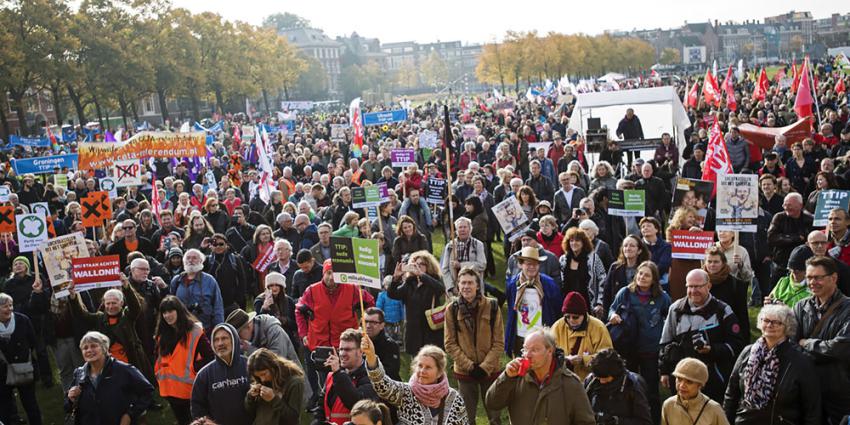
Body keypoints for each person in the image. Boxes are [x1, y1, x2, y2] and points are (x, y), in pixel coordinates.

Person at [723, 304, 821, 425]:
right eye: (766, 320)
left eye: (777, 322)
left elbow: (812, 409)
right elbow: (731, 394)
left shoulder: (801, 361)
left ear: (787, 327)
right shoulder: (747, 352)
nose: (769, 325)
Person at [295, 259, 375, 402]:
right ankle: (326, 405)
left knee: (347, 378)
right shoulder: (312, 291)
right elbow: (299, 311)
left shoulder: (352, 289)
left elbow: (369, 303)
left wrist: (363, 326)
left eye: (336, 273)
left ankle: (346, 403)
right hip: (320, 344)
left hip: (346, 344)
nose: (332, 277)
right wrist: (303, 333)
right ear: (323, 273)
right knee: (325, 380)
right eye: (329, 273)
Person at [659, 269, 744, 403]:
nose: (694, 291)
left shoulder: (723, 310)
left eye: (698, 286)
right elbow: (665, 342)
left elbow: (736, 345)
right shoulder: (675, 309)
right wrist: (664, 371)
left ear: (709, 286)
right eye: (690, 286)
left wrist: (712, 350)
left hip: (713, 380)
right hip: (683, 380)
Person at [485, 328, 596, 425]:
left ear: (549, 351)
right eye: (525, 349)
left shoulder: (571, 384)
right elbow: (492, 403)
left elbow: (587, 422)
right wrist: (506, 377)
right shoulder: (515, 378)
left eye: (534, 350)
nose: (527, 355)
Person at [608, 261, 672, 422]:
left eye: (647, 275)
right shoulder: (625, 293)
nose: (642, 277)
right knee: (628, 386)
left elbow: (671, 316)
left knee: (651, 390)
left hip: (650, 349)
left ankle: (654, 419)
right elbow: (612, 309)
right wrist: (613, 316)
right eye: (640, 273)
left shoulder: (662, 298)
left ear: (654, 279)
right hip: (628, 348)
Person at [68, 275, 157, 386]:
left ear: (121, 303)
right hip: (109, 366)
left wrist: (126, 286)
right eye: (108, 303)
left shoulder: (127, 316)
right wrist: (73, 296)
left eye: (114, 303)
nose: (111, 306)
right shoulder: (99, 318)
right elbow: (81, 315)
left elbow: (135, 307)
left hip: (131, 361)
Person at [362, 335, 469, 425]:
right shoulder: (406, 393)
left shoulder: (455, 398)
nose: (422, 371)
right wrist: (371, 356)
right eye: (420, 366)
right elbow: (382, 385)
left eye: (428, 367)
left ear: (440, 372)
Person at [793, 256, 850, 424]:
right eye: (809, 277)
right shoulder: (800, 306)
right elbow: (792, 344)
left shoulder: (848, 308)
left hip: (838, 391)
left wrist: (807, 343)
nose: (812, 282)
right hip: (806, 387)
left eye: (818, 277)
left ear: (833, 278)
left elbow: (840, 349)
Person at [444, 267, 504, 425]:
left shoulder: (492, 306)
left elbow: (498, 343)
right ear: (458, 286)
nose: (466, 286)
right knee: (467, 418)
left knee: (494, 417)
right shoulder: (451, 309)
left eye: (470, 283)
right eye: (462, 283)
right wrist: (470, 366)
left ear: (478, 285)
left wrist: (484, 367)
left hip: (490, 370)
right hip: (465, 372)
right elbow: (450, 343)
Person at [65, 331, 154, 425]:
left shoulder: (124, 370)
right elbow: (67, 407)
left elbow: (147, 391)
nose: (89, 350)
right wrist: (70, 399)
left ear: (104, 348)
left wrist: (130, 414)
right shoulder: (79, 374)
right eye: (85, 348)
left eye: (94, 346)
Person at [154, 295, 214, 425]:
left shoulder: (195, 332)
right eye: (164, 312)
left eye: (170, 311)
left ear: (179, 311)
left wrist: (194, 367)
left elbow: (210, 357)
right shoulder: (162, 334)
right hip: (169, 390)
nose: (167, 315)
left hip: (189, 391)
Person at [505, 246, 563, 356]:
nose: (532, 267)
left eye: (535, 264)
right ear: (520, 264)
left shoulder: (548, 284)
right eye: (528, 264)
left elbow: (557, 309)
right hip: (520, 334)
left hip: (541, 335)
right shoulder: (513, 284)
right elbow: (511, 309)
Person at [314, 328, 379, 425]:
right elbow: (320, 409)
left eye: (348, 349)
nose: (342, 354)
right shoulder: (332, 376)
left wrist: (338, 374)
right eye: (340, 349)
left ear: (361, 351)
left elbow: (356, 404)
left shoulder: (371, 377)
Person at [190, 323, 251, 425]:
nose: (220, 343)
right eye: (216, 340)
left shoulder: (250, 366)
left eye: (224, 338)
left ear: (234, 340)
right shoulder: (204, 375)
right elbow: (197, 408)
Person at [388, 251, 446, 354]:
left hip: (430, 329)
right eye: (416, 264)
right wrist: (395, 278)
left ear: (429, 265)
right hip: (413, 331)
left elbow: (440, 289)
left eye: (422, 264)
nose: (418, 267)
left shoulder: (434, 279)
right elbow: (393, 294)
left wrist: (422, 275)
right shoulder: (410, 282)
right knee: (416, 363)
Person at [0, 293, 43, 425]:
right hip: (2, 372)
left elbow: (32, 341)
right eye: (5, 306)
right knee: (4, 408)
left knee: (30, 404)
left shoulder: (22, 320)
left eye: (11, 305)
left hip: (24, 368)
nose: (10, 309)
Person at [551, 291, 612, 381]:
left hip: (590, 382)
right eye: (567, 317)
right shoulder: (557, 327)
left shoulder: (598, 327)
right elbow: (549, 354)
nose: (571, 320)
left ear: (584, 315)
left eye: (575, 317)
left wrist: (584, 360)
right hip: (562, 380)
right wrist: (564, 359)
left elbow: (608, 358)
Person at [583, 349, 652, 425]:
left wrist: (616, 421)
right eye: (599, 378)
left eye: (605, 378)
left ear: (616, 373)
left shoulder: (633, 385)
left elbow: (645, 421)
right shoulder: (591, 381)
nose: (602, 381)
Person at [225, 308, 301, 370]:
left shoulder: (274, 330)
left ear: (248, 326)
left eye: (238, 335)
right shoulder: (253, 335)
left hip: (291, 379)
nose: (239, 339)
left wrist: (250, 349)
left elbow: (278, 359)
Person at [703, 247, 751, 342]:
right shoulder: (699, 282)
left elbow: (742, 316)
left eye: (716, 262)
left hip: (728, 335)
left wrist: (744, 342)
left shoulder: (736, 285)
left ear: (723, 263)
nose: (712, 265)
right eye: (709, 261)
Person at [245, 348, 305, 425]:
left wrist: (274, 399)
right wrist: (251, 397)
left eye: (264, 374)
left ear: (273, 367)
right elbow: (250, 411)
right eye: (258, 376)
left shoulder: (294, 382)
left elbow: (292, 418)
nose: (262, 379)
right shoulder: (260, 380)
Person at [661, 358, 729, 425]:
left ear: (700, 385)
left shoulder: (714, 409)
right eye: (679, 379)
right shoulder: (668, 405)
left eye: (689, 382)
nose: (682, 385)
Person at [559, 227, 607, 317]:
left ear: (583, 243)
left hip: (588, 304)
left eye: (577, 240)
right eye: (571, 240)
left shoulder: (593, 258)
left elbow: (603, 279)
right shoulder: (563, 259)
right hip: (568, 304)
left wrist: (600, 302)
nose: (574, 243)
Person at [600, 235, 650, 312]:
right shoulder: (615, 268)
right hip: (618, 314)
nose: (628, 248)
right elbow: (607, 292)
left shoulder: (646, 268)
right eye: (625, 246)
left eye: (632, 246)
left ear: (639, 250)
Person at [253, 272, 299, 353]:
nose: (274, 288)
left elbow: (295, 324)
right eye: (271, 285)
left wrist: (284, 320)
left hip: (288, 338)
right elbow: (257, 325)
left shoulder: (288, 301)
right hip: (269, 341)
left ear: (281, 286)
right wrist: (264, 307)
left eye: (277, 285)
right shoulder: (260, 300)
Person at [439, 217, 487, 292]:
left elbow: (482, 265)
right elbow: (444, 269)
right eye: (460, 227)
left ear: (470, 229)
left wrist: (461, 265)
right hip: (455, 287)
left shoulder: (478, 244)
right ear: (456, 230)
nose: (462, 229)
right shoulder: (450, 246)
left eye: (465, 227)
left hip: (474, 288)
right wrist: (451, 287)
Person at [364, 307, 401, 381]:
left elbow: (391, 372)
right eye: (365, 321)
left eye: (373, 322)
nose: (368, 326)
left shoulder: (391, 346)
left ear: (382, 325)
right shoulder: (357, 342)